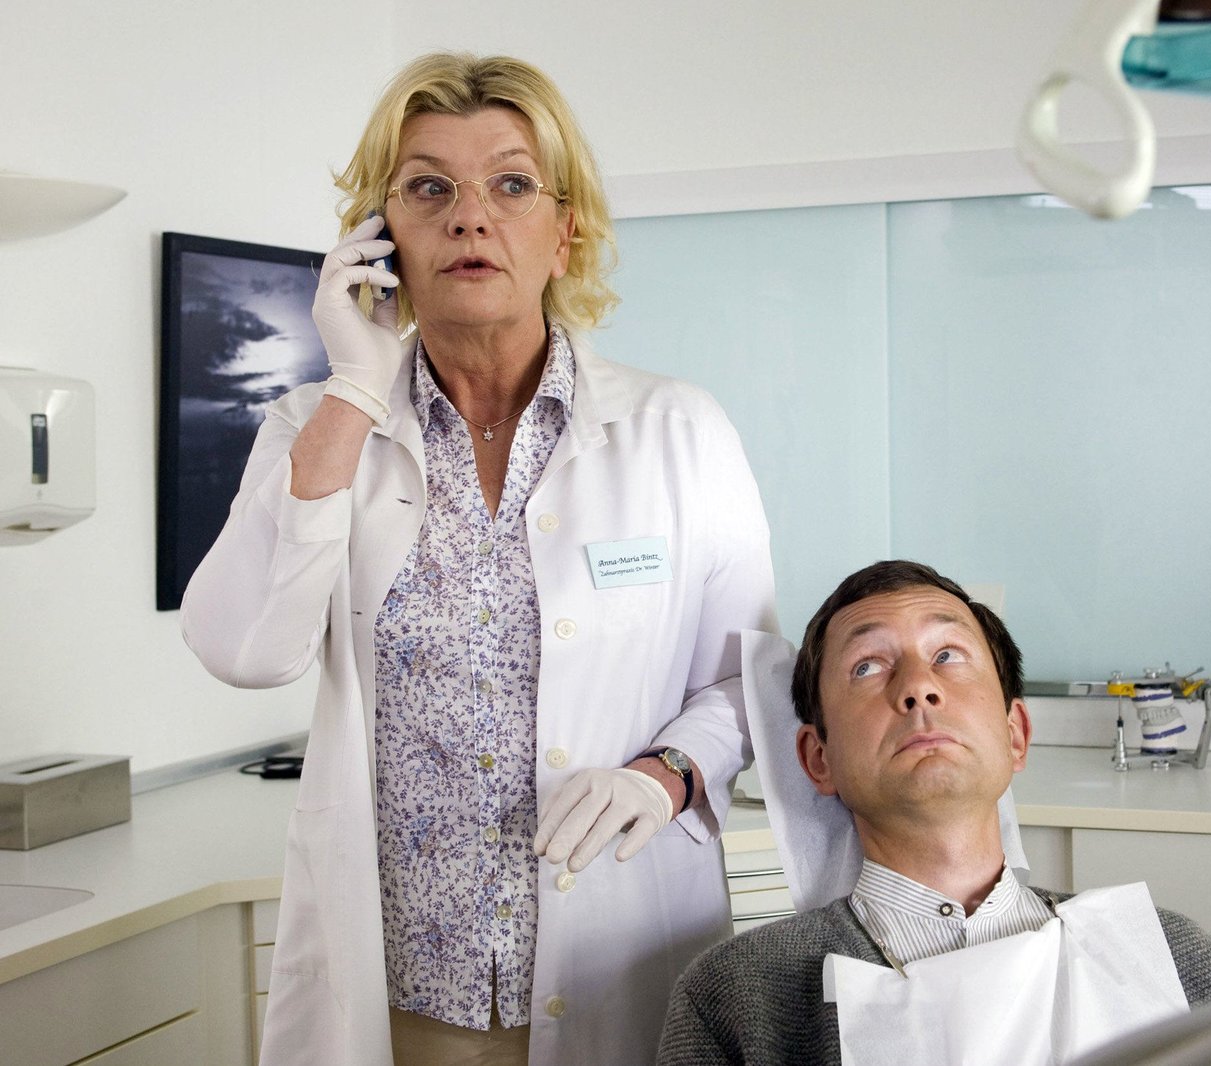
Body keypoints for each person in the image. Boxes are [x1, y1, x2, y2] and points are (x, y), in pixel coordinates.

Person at [181, 52, 776, 1066]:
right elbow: (246, 649)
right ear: (380, 237)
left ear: (564, 229)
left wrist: (669, 774)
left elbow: (745, 681)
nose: (469, 218)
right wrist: (352, 391)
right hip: (401, 997)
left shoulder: (680, 431)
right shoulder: (312, 429)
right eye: (428, 189)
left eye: (510, 184)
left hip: (619, 969)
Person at [657, 560, 1211, 1065]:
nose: (918, 687)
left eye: (947, 655)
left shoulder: (1162, 952)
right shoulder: (744, 997)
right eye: (867, 665)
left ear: (1015, 734)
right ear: (819, 759)